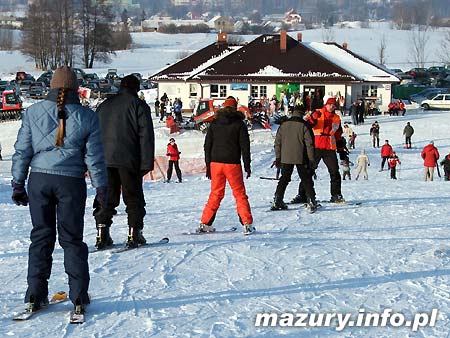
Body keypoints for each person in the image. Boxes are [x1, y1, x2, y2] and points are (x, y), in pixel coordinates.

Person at [11, 66, 107, 315]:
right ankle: (78, 296)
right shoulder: (88, 116)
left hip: (39, 180)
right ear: (76, 88)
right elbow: (94, 157)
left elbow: (22, 151)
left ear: (51, 86)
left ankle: (35, 294)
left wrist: (18, 183)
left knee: (41, 237)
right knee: (71, 240)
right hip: (71, 183)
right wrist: (101, 188)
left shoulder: (33, 112)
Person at [94, 74, 155, 249]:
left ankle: (102, 232)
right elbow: (146, 136)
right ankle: (134, 233)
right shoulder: (138, 105)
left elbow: (94, 134)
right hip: (129, 159)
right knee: (133, 197)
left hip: (104, 159)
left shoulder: (104, 105)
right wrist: (146, 163)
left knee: (106, 197)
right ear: (136, 88)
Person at [198, 96, 254, 234]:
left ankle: (205, 223)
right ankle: (247, 223)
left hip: (215, 163)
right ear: (235, 108)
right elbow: (245, 146)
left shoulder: (214, 123)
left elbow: (207, 145)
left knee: (215, 193)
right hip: (232, 164)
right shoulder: (239, 124)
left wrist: (208, 165)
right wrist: (247, 165)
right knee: (239, 194)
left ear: (223, 107)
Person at [297, 97, 346, 203]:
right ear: (326, 104)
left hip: (329, 147)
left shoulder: (337, 118)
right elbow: (306, 125)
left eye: (334, 105)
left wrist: (341, 150)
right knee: (309, 171)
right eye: (330, 104)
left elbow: (338, 134)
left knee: (334, 172)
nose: (331, 107)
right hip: (316, 146)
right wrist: (313, 118)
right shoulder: (317, 113)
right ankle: (302, 194)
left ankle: (336, 195)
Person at [271, 107, 318, 213]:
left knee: (284, 178)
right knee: (306, 179)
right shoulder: (304, 125)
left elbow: (277, 143)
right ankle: (311, 200)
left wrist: (278, 157)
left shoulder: (283, 125)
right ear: (302, 114)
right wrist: (311, 159)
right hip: (301, 156)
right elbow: (309, 144)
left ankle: (277, 199)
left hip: (285, 157)